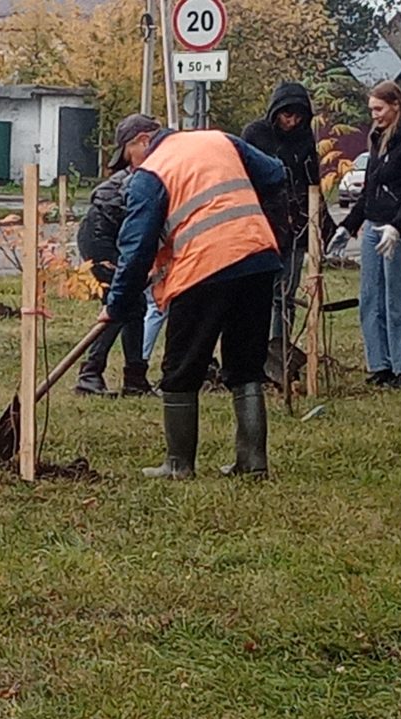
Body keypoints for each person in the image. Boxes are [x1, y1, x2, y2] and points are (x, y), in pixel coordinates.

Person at [99, 114, 288, 479]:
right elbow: (275, 174)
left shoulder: (152, 171)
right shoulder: (219, 140)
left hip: (205, 268)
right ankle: (252, 462)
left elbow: (136, 247)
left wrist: (117, 304)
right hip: (257, 257)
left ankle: (177, 464)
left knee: (182, 367)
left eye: (127, 158)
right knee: (245, 365)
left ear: (142, 140)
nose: (129, 168)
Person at [329, 81, 401, 389]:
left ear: (396, 105)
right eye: (371, 109)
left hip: (396, 231)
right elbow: (370, 189)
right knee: (370, 299)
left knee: (396, 299)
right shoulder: (376, 139)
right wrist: (346, 225)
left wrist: (398, 227)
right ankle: (380, 366)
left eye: (379, 109)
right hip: (373, 228)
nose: (374, 115)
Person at [242, 82, 338, 356]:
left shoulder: (305, 138)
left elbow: (312, 181)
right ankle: (254, 351)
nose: (292, 122)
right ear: (275, 112)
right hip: (262, 223)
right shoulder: (255, 134)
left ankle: (280, 351)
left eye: (298, 116)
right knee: (258, 292)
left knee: (285, 293)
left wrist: (323, 224)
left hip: (296, 224)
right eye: (287, 115)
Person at [74, 168, 153, 396]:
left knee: (136, 304)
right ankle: (89, 375)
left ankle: (135, 380)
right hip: (101, 234)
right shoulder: (158, 174)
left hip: (119, 230)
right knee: (121, 300)